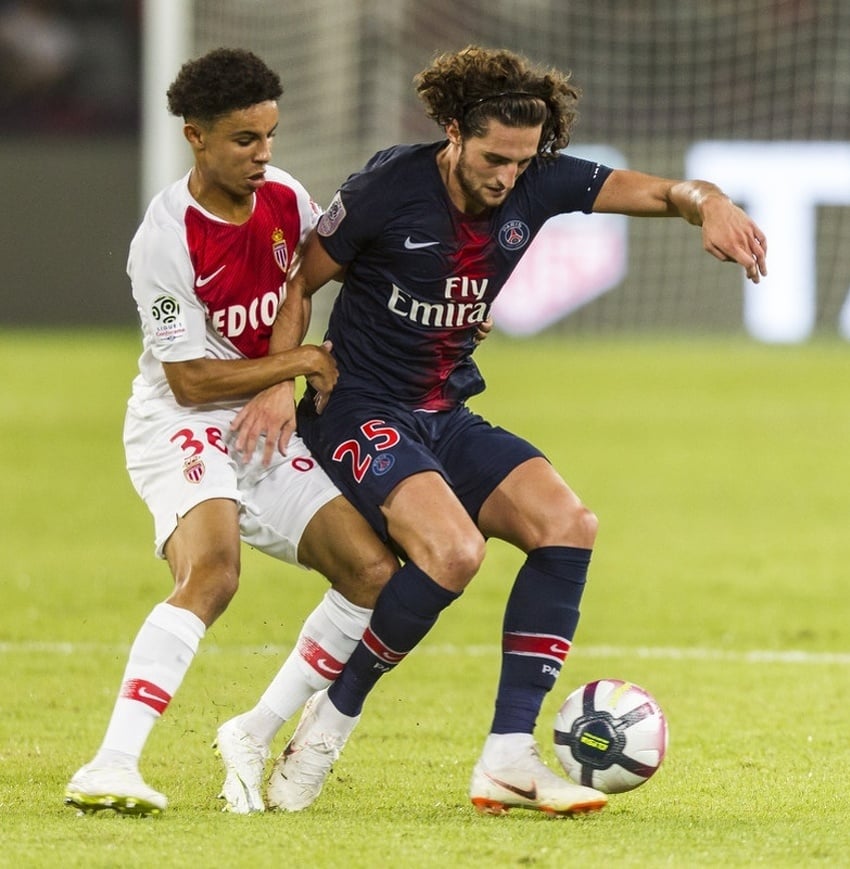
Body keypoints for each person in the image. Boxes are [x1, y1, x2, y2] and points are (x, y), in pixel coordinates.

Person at [232, 45, 768, 818]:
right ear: (453, 130)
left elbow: (661, 191)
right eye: (494, 158)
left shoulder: (538, 179)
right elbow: (299, 281)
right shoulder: (389, 185)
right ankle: (327, 726)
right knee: (453, 551)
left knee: (568, 525)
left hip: (445, 411)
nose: (508, 176)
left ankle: (508, 755)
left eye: (522, 161)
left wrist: (709, 199)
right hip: (359, 407)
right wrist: (281, 381)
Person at [63, 47, 403, 817]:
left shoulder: (284, 196)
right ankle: (111, 761)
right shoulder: (165, 239)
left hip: (260, 414)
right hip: (180, 423)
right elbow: (189, 380)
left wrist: (284, 379)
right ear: (197, 137)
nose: (265, 155)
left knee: (371, 572)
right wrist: (300, 363)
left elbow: (301, 284)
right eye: (246, 140)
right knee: (213, 573)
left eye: (271, 135)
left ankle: (252, 730)